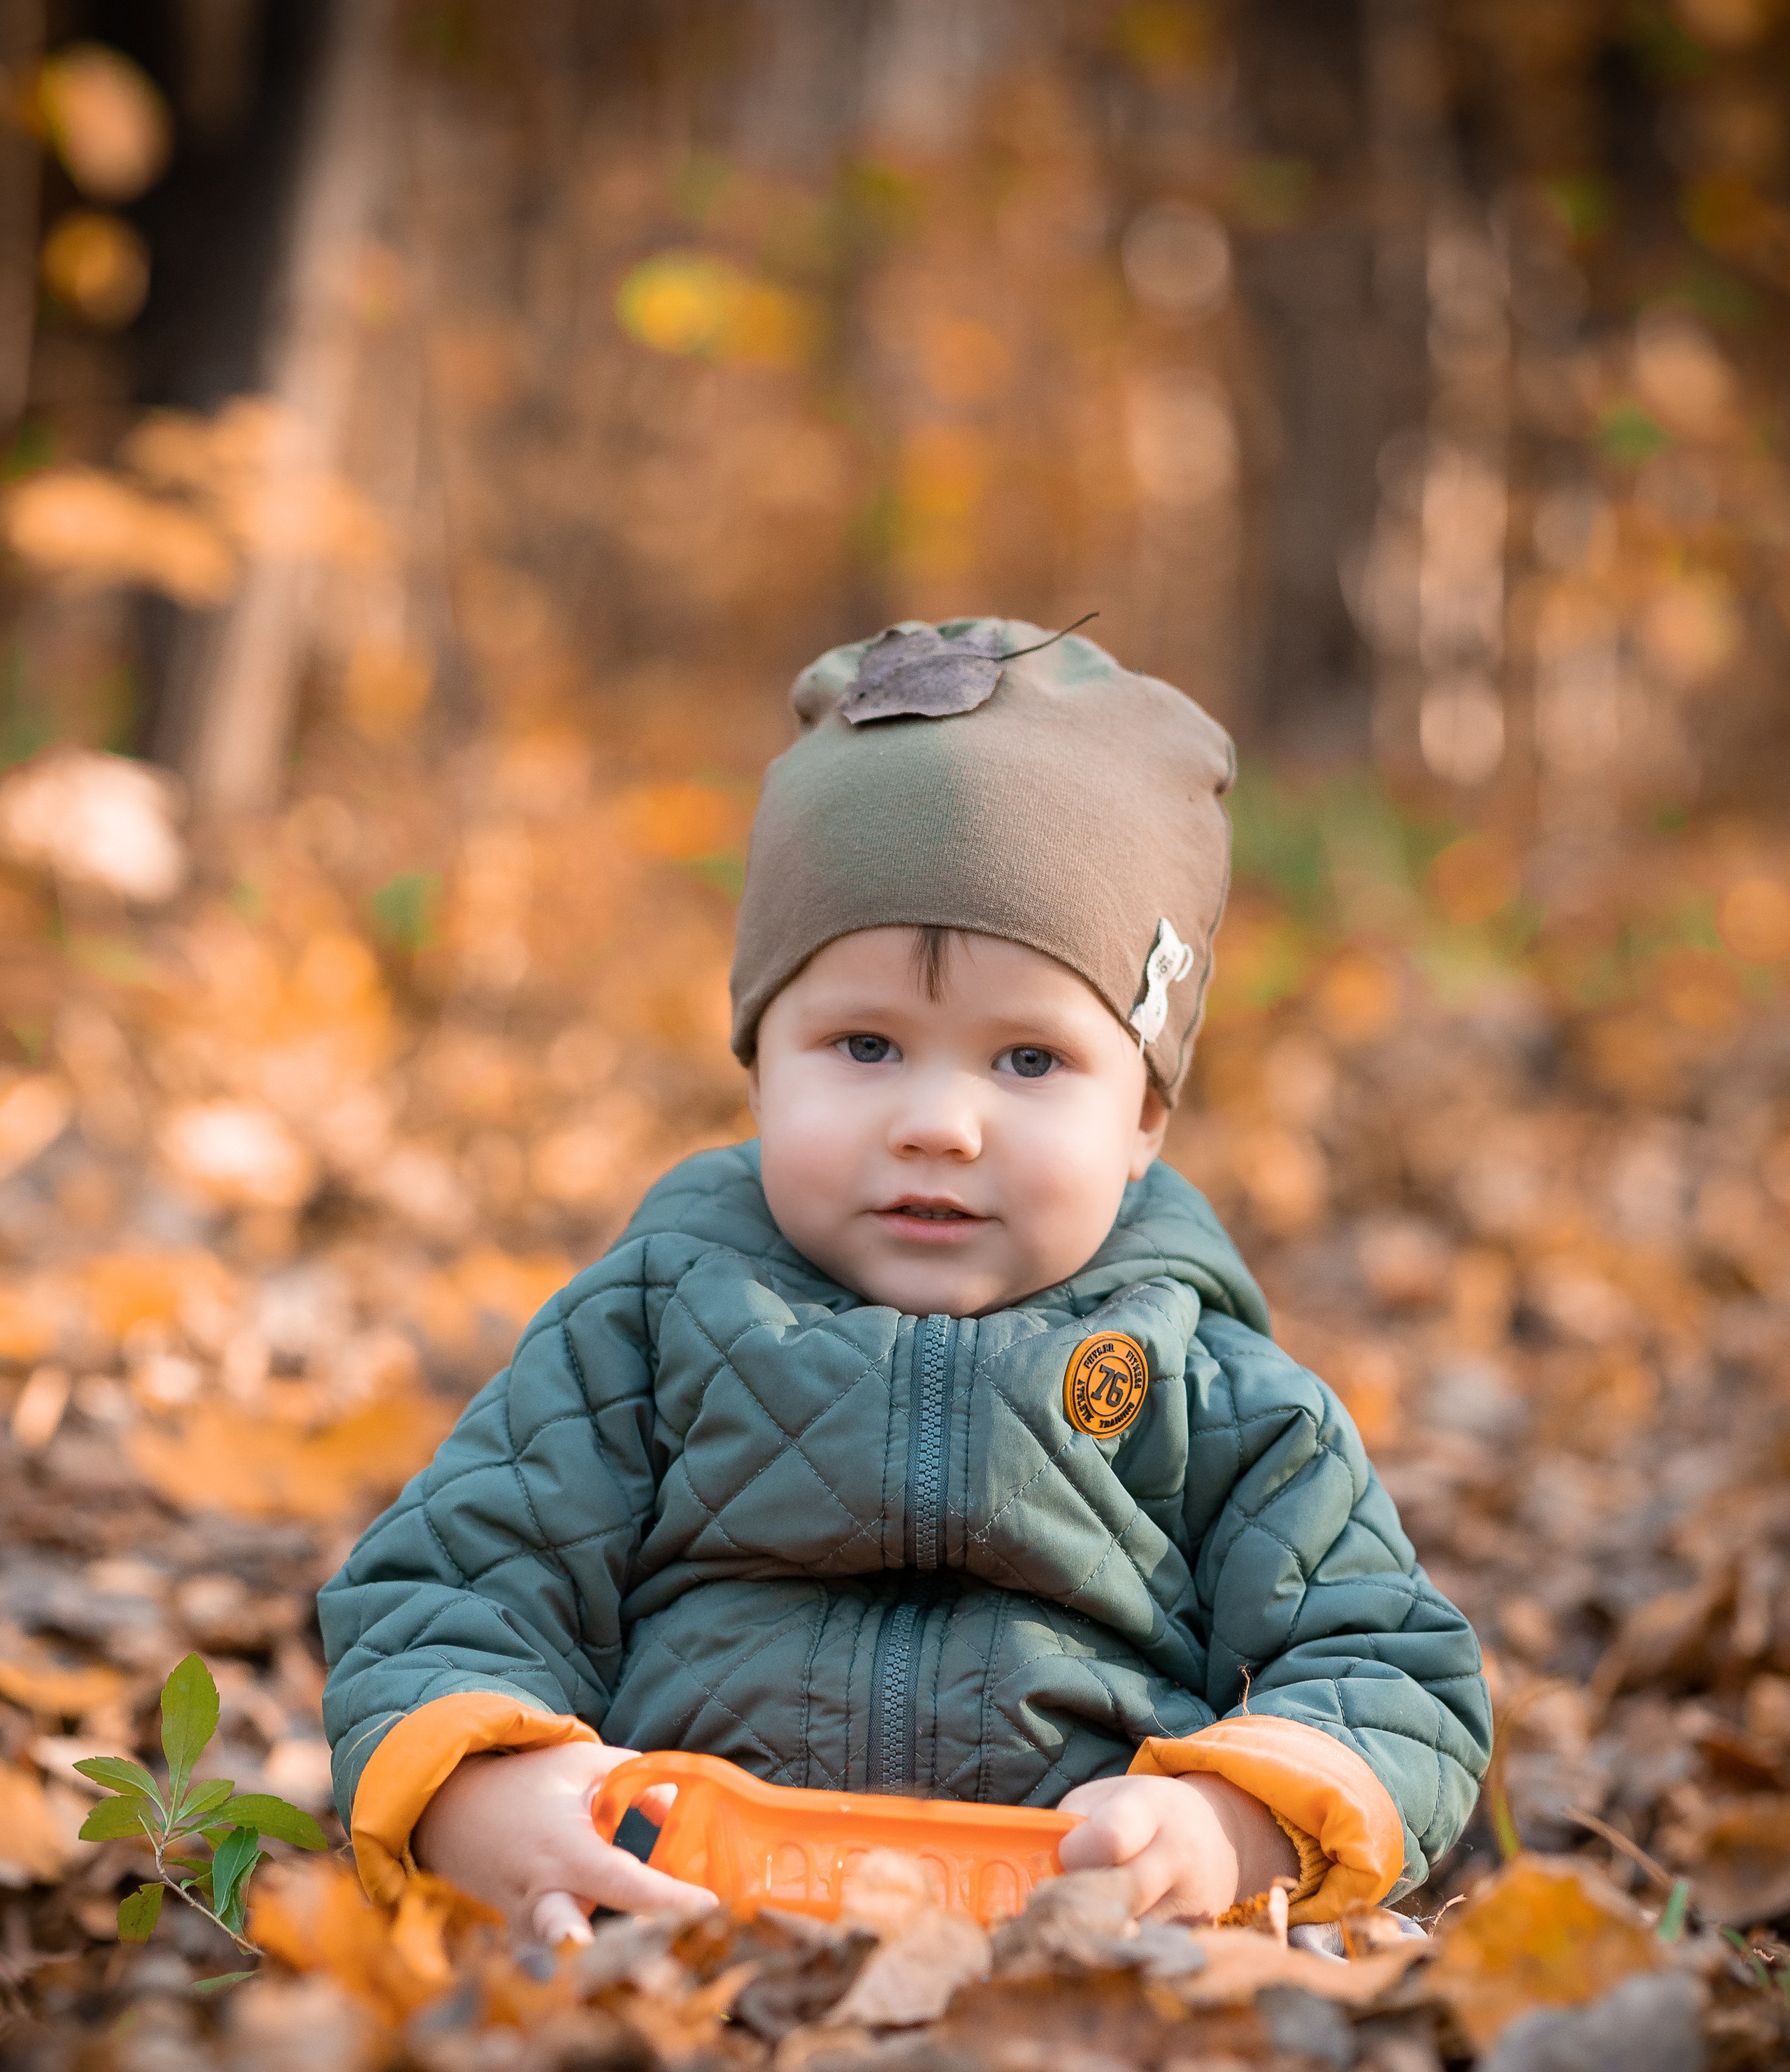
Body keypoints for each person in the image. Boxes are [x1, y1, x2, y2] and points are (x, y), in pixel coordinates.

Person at [319, 619, 1490, 1948]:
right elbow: (449, 1590)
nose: (941, 1121)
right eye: (866, 1045)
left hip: (1076, 1955)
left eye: (1031, 1062)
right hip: (689, 1930)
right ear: (762, 1066)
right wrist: (485, 1793)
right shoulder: (643, 1331)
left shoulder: (1215, 1387)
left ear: (1147, 1117)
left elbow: (1388, 1665)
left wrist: (1231, 1822)